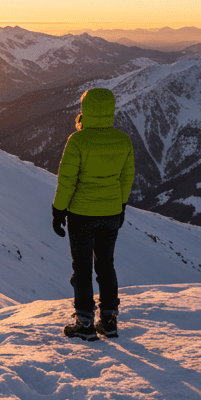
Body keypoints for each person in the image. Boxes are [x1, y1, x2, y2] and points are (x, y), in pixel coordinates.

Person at [51, 87, 134, 341]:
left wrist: (58, 210)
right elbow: (126, 178)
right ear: (110, 109)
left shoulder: (78, 141)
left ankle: (85, 323)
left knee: (83, 268)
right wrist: (120, 206)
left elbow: (67, 180)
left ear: (84, 109)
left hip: (81, 215)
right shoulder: (123, 140)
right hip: (111, 213)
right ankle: (109, 321)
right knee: (106, 265)